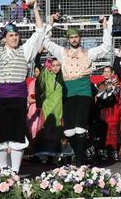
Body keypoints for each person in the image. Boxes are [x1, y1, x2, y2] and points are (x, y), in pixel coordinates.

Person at [0, 3, 46, 173]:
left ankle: (15, 171)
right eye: (11, 35)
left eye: (16, 35)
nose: (15, 38)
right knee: (1, 136)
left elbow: (39, 33)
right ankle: (3, 170)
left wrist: (35, 10)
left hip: (19, 98)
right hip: (0, 99)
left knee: (17, 135)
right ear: (4, 38)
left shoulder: (25, 51)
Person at [41, 15, 114, 164]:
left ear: (80, 38)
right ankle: (81, 155)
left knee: (80, 127)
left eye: (76, 37)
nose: (74, 39)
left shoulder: (89, 53)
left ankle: (79, 161)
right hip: (68, 91)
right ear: (68, 39)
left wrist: (104, 26)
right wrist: (51, 24)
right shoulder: (62, 53)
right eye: (71, 37)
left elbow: (106, 46)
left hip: (84, 90)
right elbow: (45, 42)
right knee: (68, 130)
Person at [33, 58, 64, 157]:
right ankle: (46, 154)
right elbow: (39, 69)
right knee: (47, 131)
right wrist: (39, 54)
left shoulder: (64, 77)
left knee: (58, 131)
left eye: (57, 65)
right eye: (53, 65)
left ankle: (58, 153)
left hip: (59, 108)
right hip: (48, 108)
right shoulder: (47, 75)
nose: (55, 68)